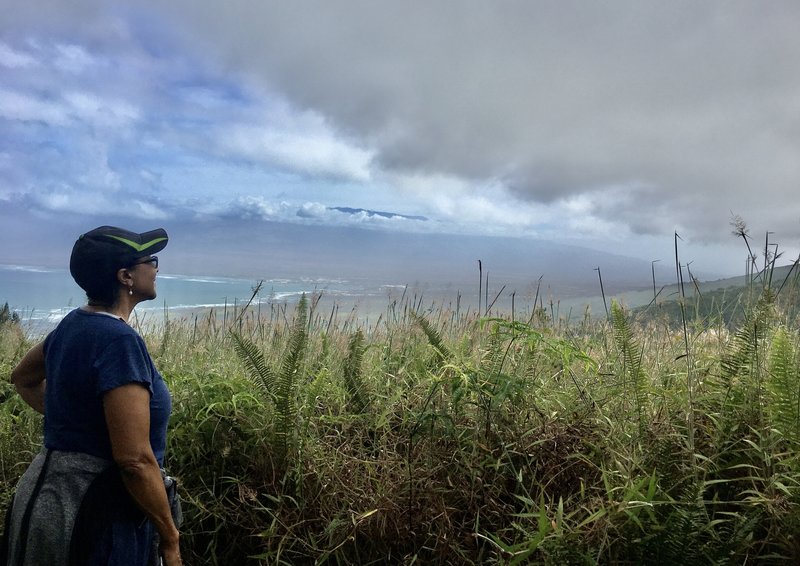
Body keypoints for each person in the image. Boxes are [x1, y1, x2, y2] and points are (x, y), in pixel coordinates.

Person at [2, 226, 182, 566]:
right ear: (126, 276)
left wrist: (79, 427)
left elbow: (23, 379)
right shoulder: (119, 342)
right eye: (152, 260)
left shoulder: (74, 324)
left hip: (50, 500)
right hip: (98, 515)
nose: (157, 269)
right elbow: (134, 461)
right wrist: (170, 539)